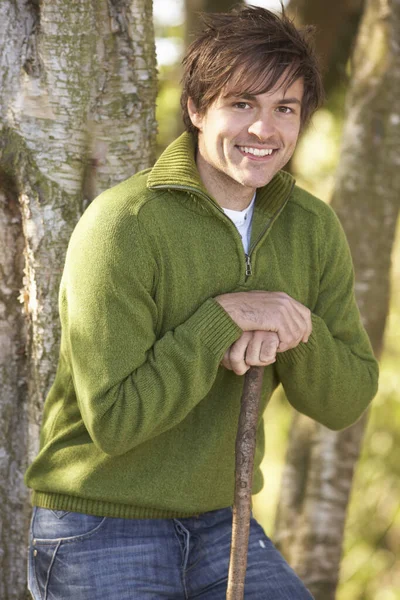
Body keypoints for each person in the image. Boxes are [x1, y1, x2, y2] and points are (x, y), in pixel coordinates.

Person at [25, 6, 379, 599]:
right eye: (242, 104)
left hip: (224, 520)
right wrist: (222, 320)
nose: (263, 130)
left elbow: (346, 400)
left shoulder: (312, 228)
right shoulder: (124, 224)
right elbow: (115, 421)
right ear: (196, 108)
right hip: (99, 523)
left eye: (283, 109)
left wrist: (299, 331)